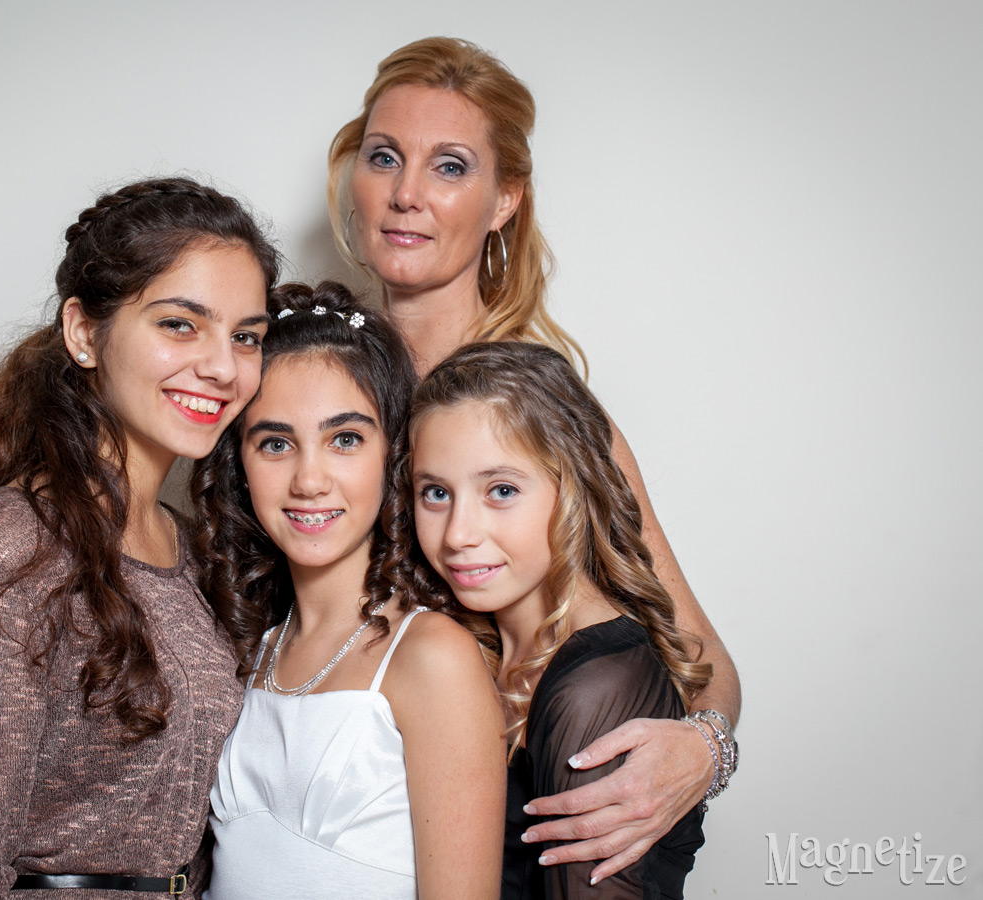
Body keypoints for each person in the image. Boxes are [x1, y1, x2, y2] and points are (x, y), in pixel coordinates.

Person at [327, 36, 742, 881]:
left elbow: (705, 659)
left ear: (504, 200)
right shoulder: (309, 393)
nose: (406, 194)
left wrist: (704, 752)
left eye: (449, 167)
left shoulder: (544, 415)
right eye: (384, 157)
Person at [0, 176, 279, 899]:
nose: (223, 366)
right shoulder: (14, 544)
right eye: (180, 324)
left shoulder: (191, 550)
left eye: (245, 336)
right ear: (84, 333)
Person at [192, 282, 505, 900]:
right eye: (275, 443)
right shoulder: (243, 648)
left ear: (394, 456)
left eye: (345, 439)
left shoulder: (433, 657)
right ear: (239, 465)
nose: (309, 480)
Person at [409, 342, 719, 898]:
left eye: (501, 491)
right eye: (435, 493)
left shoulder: (596, 689)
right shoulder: (468, 648)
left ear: (571, 489)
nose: (458, 533)